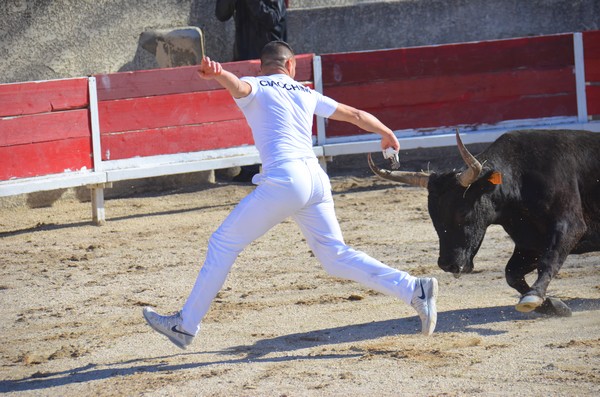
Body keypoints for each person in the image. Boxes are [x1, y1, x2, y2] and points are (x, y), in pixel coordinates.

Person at [143, 41, 439, 349]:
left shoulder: (257, 84)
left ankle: (185, 324)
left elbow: (239, 87)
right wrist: (385, 132)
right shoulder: (305, 91)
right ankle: (414, 289)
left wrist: (219, 74)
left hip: (285, 180)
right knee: (335, 256)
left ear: (262, 66)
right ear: (292, 66)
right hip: (316, 179)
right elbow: (353, 114)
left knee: (223, 241)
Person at [215, 0, 288, 182]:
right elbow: (221, 15)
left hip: (271, 64)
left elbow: (271, 18)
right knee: (247, 112)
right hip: (244, 58)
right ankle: (250, 168)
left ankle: (276, 165)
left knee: (273, 114)